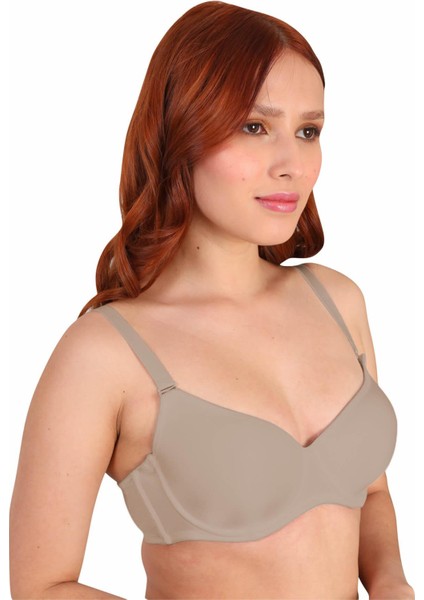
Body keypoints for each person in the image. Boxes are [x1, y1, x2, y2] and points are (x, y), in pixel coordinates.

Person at [9, 1, 414, 598]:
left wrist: (392, 584)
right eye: (255, 127)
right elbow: (41, 587)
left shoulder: (338, 300)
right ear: (182, 132)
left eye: (308, 131)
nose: (292, 165)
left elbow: (370, 492)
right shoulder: (104, 353)